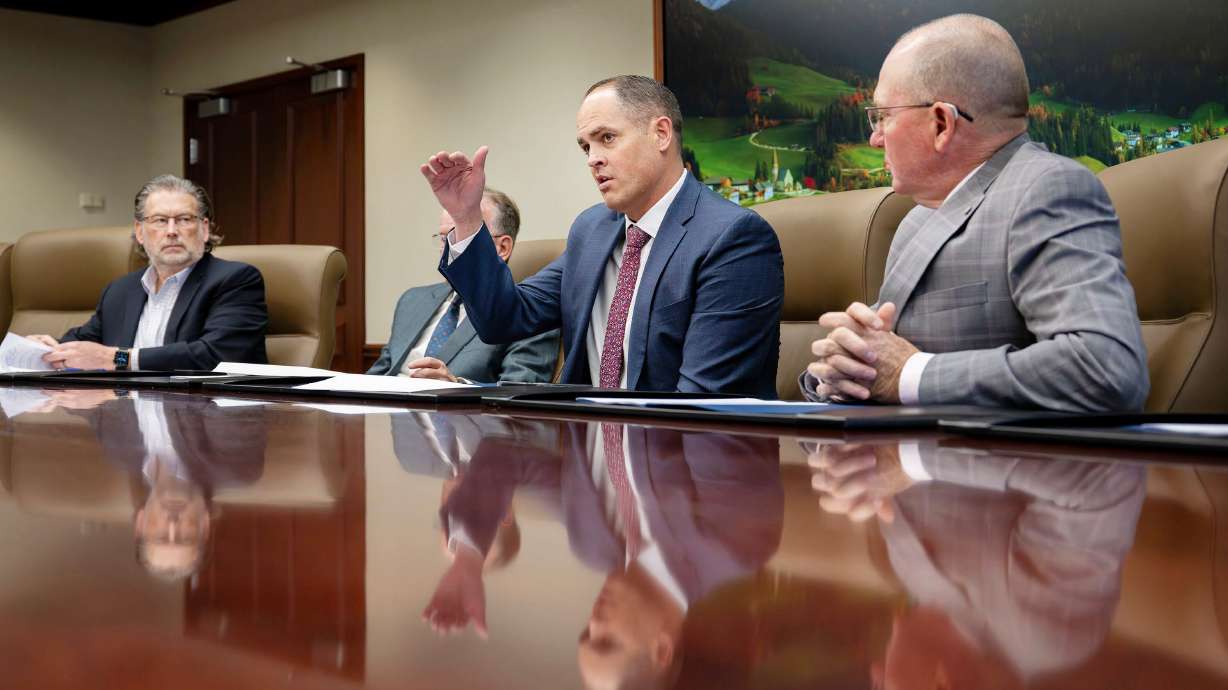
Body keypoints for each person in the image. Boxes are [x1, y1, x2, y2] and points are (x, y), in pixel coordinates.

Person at [801, 14, 1148, 412]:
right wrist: (843, 370)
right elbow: (884, 368)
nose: (874, 137)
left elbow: (1104, 370)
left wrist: (910, 374)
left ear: (941, 123)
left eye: (884, 116)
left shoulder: (1048, 190)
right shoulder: (915, 221)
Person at [421, 75, 783, 397]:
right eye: (585, 146)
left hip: (682, 459)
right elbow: (504, 318)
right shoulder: (592, 229)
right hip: (586, 450)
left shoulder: (733, 238)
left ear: (661, 133)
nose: (592, 158)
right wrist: (466, 217)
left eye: (606, 138)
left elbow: (703, 403)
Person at [807, 441, 1145, 689]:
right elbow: (1094, 482)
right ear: (942, 684)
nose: (875, 671)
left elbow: (860, 456)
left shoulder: (895, 571)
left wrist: (842, 458)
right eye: (883, 688)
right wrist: (912, 459)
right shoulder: (1047, 635)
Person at [28, 174, 269, 371]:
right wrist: (47, 349)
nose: (172, 231)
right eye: (160, 220)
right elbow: (86, 341)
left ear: (204, 230)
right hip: (128, 417)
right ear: (140, 232)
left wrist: (115, 359)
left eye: (184, 219)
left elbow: (215, 355)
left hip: (207, 419)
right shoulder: (120, 290)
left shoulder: (236, 280)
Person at [367, 189, 559, 383]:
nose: (448, 249)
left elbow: (520, 388)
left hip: (457, 411)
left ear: (502, 248)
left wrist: (456, 387)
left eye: (460, 237)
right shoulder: (412, 300)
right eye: (444, 239)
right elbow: (375, 377)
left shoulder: (526, 313)